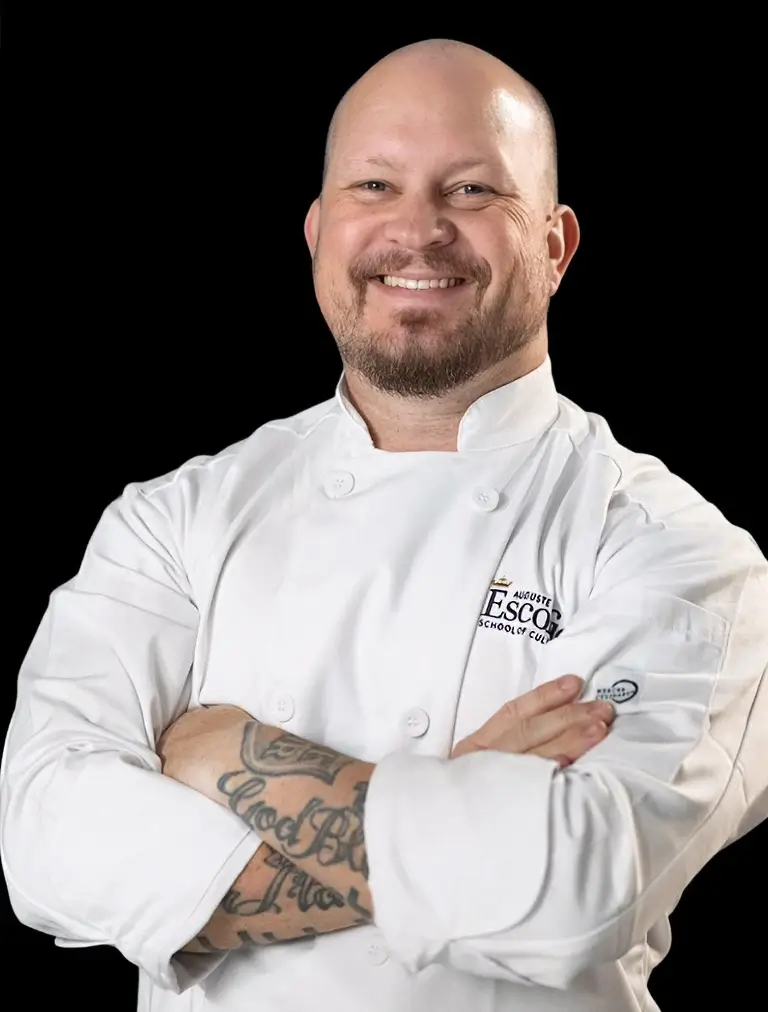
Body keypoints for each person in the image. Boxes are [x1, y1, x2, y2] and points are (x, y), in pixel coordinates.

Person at [1, 36, 766, 1012]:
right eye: (374, 184)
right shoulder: (171, 523)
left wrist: (227, 757)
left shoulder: (683, 553)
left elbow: (583, 888)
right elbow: (47, 841)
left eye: (473, 191)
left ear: (555, 246)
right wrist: (465, 798)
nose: (417, 229)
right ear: (319, 231)